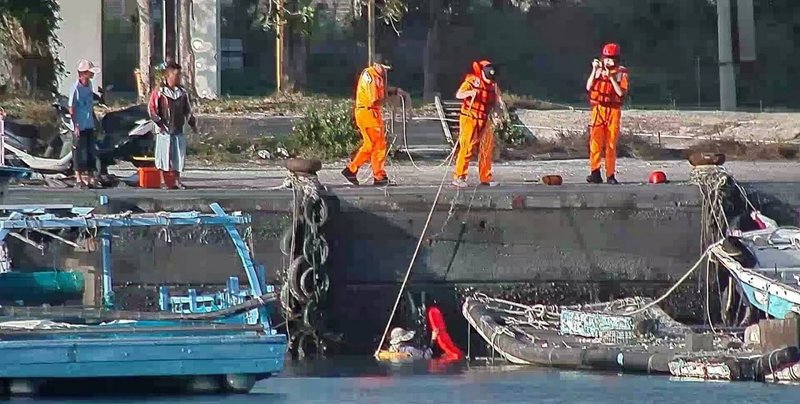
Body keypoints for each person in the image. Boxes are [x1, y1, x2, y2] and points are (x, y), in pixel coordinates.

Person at [341, 55, 408, 187]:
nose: (385, 71)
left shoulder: (374, 76)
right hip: (368, 113)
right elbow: (374, 99)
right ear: (377, 65)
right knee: (376, 145)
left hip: (370, 113)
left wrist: (394, 91)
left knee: (374, 145)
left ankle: (356, 171)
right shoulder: (371, 77)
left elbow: (381, 92)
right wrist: (390, 100)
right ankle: (373, 174)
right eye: (383, 68)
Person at [453, 60, 507, 188]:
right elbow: (459, 94)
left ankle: (485, 178)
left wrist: (498, 113)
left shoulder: (493, 85)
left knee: (486, 148)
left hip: (485, 118)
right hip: (469, 117)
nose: (490, 81)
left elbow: (498, 101)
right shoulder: (472, 81)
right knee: (467, 147)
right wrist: (470, 93)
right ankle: (459, 176)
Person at [148, 62, 197, 190]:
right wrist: (159, 123)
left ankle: (177, 180)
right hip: (164, 129)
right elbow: (152, 109)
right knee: (163, 156)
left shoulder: (182, 92)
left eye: (179, 75)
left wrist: (192, 123)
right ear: (168, 75)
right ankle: (163, 181)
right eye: (175, 75)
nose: (178, 77)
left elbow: (188, 110)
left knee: (178, 156)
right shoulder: (160, 91)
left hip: (178, 128)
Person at [585, 43, 629, 185]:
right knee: (595, 143)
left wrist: (610, 77)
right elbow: (588, 86)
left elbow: (620, 92)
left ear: (616, 59)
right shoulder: (598, 70)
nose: (608, 61)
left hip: (613, 110)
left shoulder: (621, 73)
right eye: (606, 58)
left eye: (611, 58)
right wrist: (594, 70)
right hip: (598, 109)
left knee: (610, 144)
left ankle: (610, 175)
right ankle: (595, 172)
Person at [69, 59, 101, 189]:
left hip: (89, 123)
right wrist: (75, 125)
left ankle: (91, 178)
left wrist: (95, 119)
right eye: (90, 72)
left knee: (90, 151)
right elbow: (71, 107)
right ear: (83, 73)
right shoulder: (75, 88)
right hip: (79, 124)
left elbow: (90, 105)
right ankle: (78, 178)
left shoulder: (90, 85)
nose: (92, 75)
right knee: (78, 152)